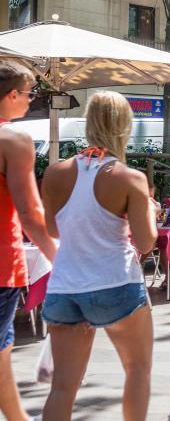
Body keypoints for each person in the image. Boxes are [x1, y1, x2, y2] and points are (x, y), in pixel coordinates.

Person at [40, 91, 156, 420]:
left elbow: (53, 230)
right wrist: (149, 208)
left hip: (64, 287)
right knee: (137, 370)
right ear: (124, 126)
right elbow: (146, 240)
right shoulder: (130, 178)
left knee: (62, 386)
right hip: (114, 282)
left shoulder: (54, 173)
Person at [0, 62, 58, 421]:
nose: (33, 100)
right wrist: (59, 257)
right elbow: (30, 212)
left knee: (3, 345)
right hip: (1, 262)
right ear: (12, 95)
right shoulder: (13, 140)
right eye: (31, 92)